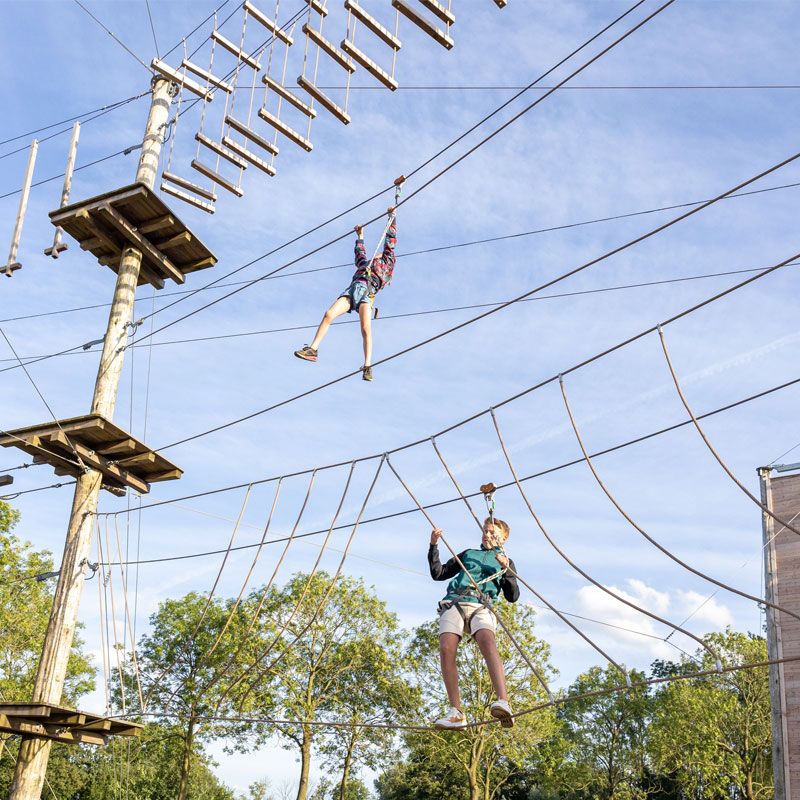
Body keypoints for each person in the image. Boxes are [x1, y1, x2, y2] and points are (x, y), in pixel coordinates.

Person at [428, 518, 520, 730]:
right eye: (485, 531)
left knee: (487, 641)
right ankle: (456, 712)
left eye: (492, 532)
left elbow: (512, 596)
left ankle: (503, 701)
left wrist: (506, 570)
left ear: (504, 538)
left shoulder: (505, 560)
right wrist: (434, 545)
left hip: (482, 604)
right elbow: (438, 573)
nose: (487, 535)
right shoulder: (468, 554)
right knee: (446, 648)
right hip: (456, 601)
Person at [294, 208, 397, 382]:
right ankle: (313, 350)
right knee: (328, 314)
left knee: (365, 329)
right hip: (352, 290)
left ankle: (367, 365)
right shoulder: (366, 264)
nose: (377, 255)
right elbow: (360, 254)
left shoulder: (385, 264)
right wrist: (360, 236)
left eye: (380, 255)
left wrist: (392, 218)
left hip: (367, 293)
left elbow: (390, 243)